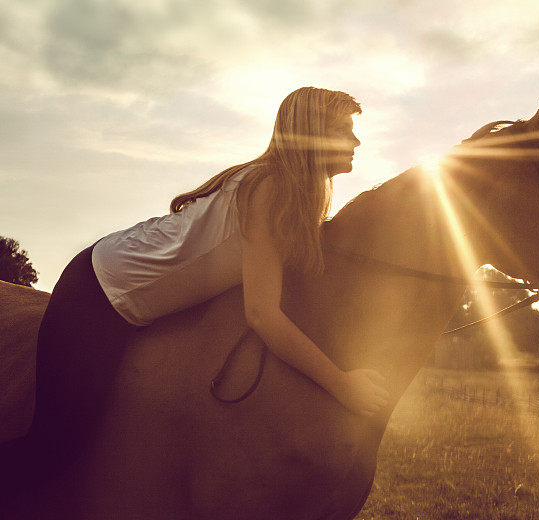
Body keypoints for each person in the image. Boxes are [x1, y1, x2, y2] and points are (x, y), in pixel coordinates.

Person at [1, 86, 390, 486]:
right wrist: (342, 383)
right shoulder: (270, 190)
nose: (356, 140)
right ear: (315, 134)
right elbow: (262, 314)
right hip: (100, 290)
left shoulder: (293, 196)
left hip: (114, 275)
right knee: (53, 451)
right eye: (345, 130)